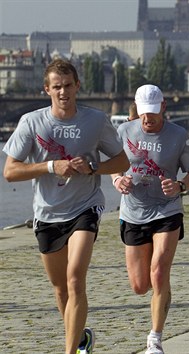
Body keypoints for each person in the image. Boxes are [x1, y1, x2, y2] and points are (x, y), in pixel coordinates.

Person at [2, 58, 129, 354]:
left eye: (68, 86)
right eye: (57, 87)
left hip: (85, 207)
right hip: (47, 212)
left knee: (75, 279)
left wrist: (93, 166)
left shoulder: (96, 120)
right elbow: (10, 171)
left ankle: (69, 352)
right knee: (60, 288)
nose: (63, 92)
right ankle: (80, 336)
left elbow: (123, 161)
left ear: (77, 86)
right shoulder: (32, 123)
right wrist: (50, 166)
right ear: (47, 89)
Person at [112, 84, 189, 354]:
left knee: (160, 270)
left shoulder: (178, 135)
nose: (148, 119)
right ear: (137, 110)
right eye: (143, 113)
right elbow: (112, 166)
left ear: (163, 107)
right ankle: (161, 293)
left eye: (153, 112)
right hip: (133, 211)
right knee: (140, 285)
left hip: (167, 210)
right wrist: (117, 179)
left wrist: (181, 186)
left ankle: (155, 339)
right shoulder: (124, 131)